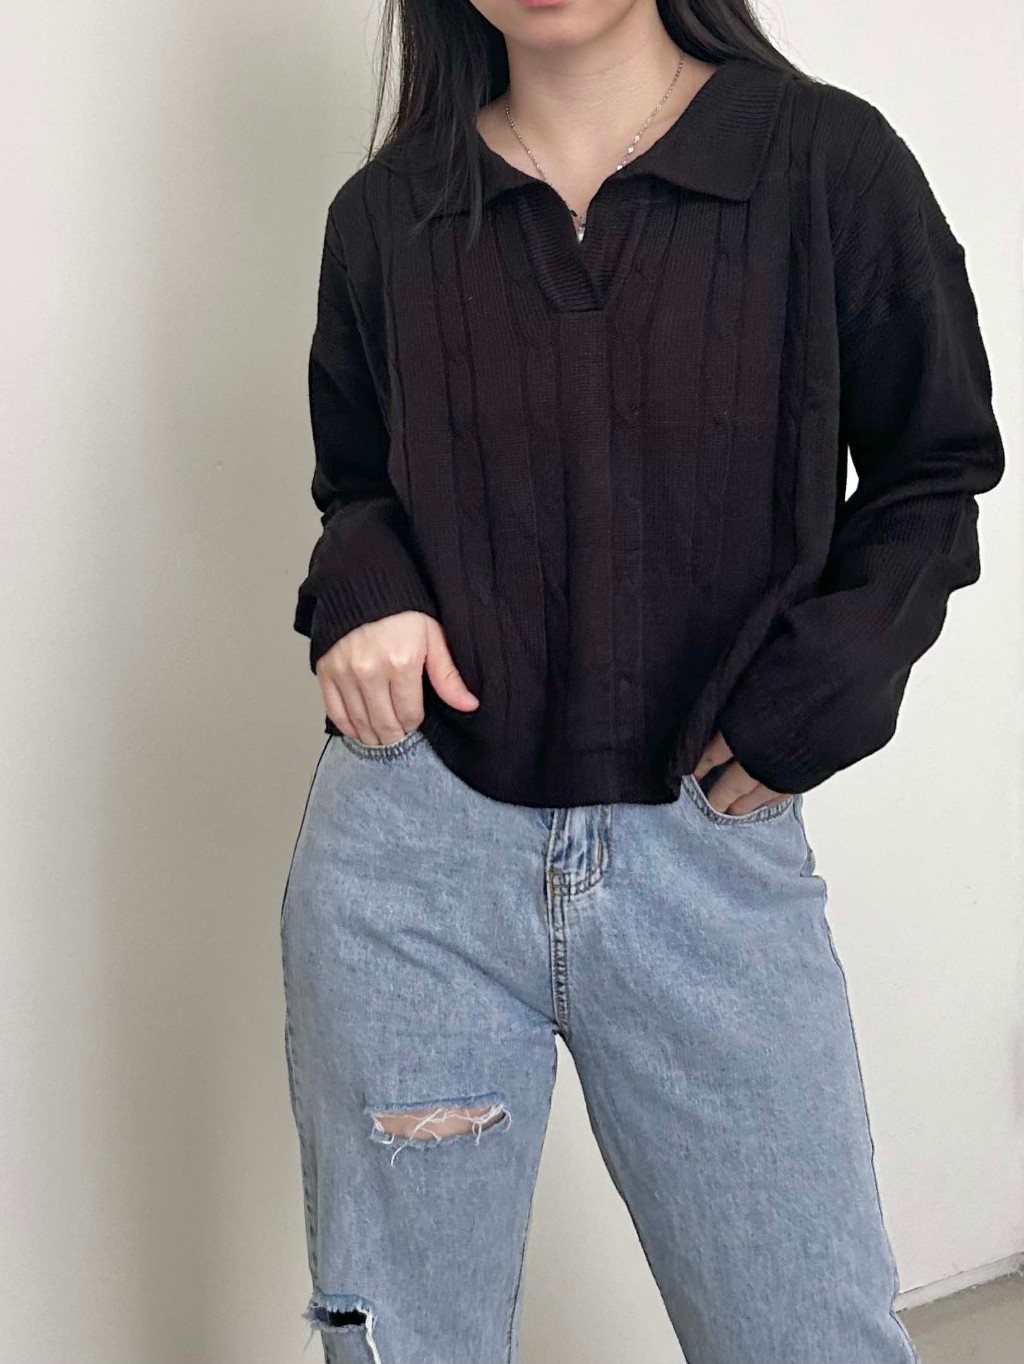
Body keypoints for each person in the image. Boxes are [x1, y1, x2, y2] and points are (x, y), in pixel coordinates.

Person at [279, 1, 1004, 1360]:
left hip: (707, 856)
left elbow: (937, 468)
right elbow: (358, 485)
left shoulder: (824, 162)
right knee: (404, 1345)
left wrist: (814, 699)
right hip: (414, 867)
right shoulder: (388, 215)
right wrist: (364, 594)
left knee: (811, 1337)